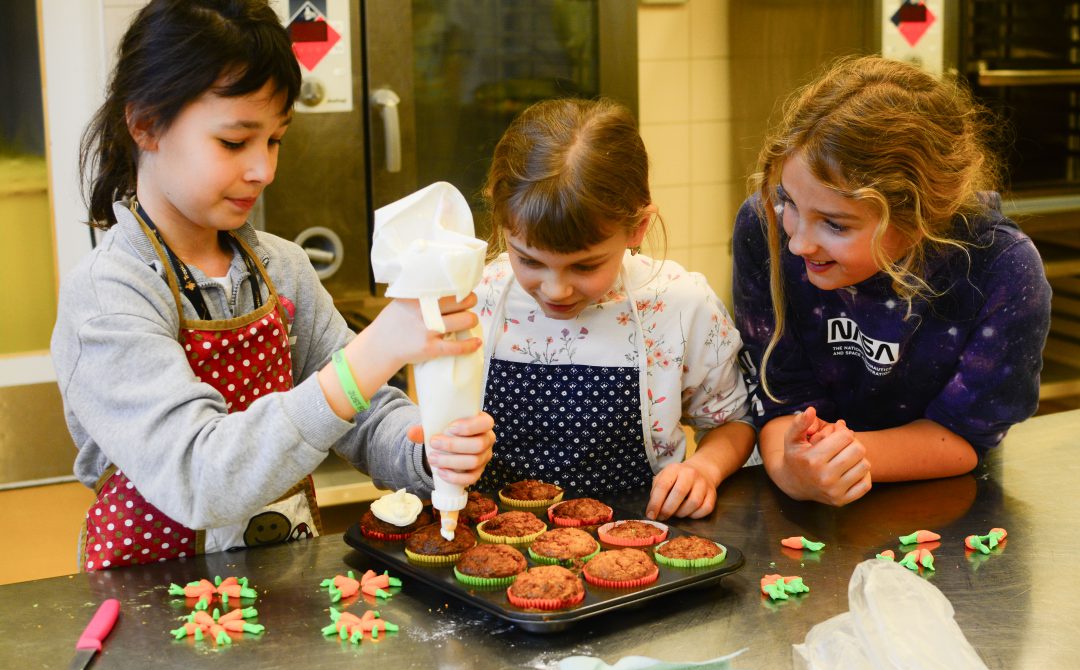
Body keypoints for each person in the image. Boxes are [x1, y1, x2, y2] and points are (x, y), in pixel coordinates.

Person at [53, 0, 494, 571]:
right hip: (150, 613)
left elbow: (362, 414)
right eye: (235, 143)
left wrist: (428, 448)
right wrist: (376, 350)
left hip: (285, 592)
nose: (263, 169)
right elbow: (200, 478)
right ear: (144, 125)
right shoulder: (109, 294)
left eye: (275, 140)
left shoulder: (281, 270)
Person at [732, 55, 1052, 506]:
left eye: (836, 225)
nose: (798, 244)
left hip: (938, 498)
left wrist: (845, 458)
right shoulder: (761, 226)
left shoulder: (1002, 269)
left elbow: (962, 434)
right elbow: (780, 400)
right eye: (790, 202)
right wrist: (789, 470)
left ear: (921, 219)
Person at [473, 98, 755, 521]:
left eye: (585, 265)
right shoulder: (473, 298)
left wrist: (703, 468)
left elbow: (734, 421)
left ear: (636, 228)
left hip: (636, 545)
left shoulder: (679, 304)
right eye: (529, 260)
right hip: (493, 544)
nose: (556, 289)